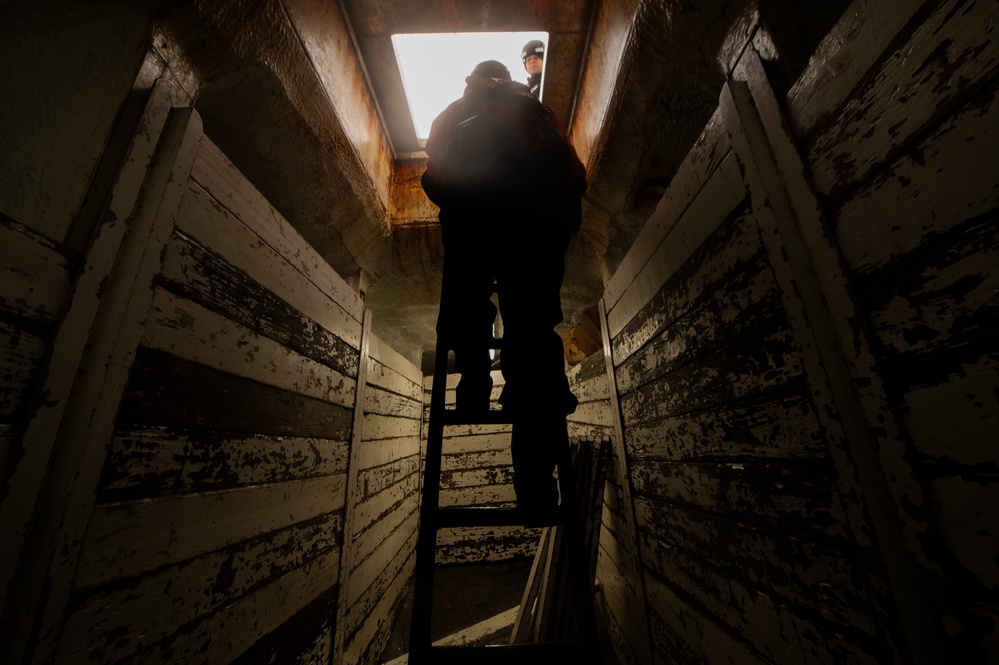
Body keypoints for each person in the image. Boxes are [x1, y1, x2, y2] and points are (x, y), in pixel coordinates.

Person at [421, 60, 586, 516]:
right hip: (534, 237)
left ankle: (473, 388)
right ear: (508, 81)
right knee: (532, 339)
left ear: (471, 79)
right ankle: (535, 486)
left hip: (473, 232)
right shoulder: (540, 112)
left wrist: (468, 207)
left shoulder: (454, 112)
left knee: (467, 307)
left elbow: (433, 179)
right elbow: (575, 174)